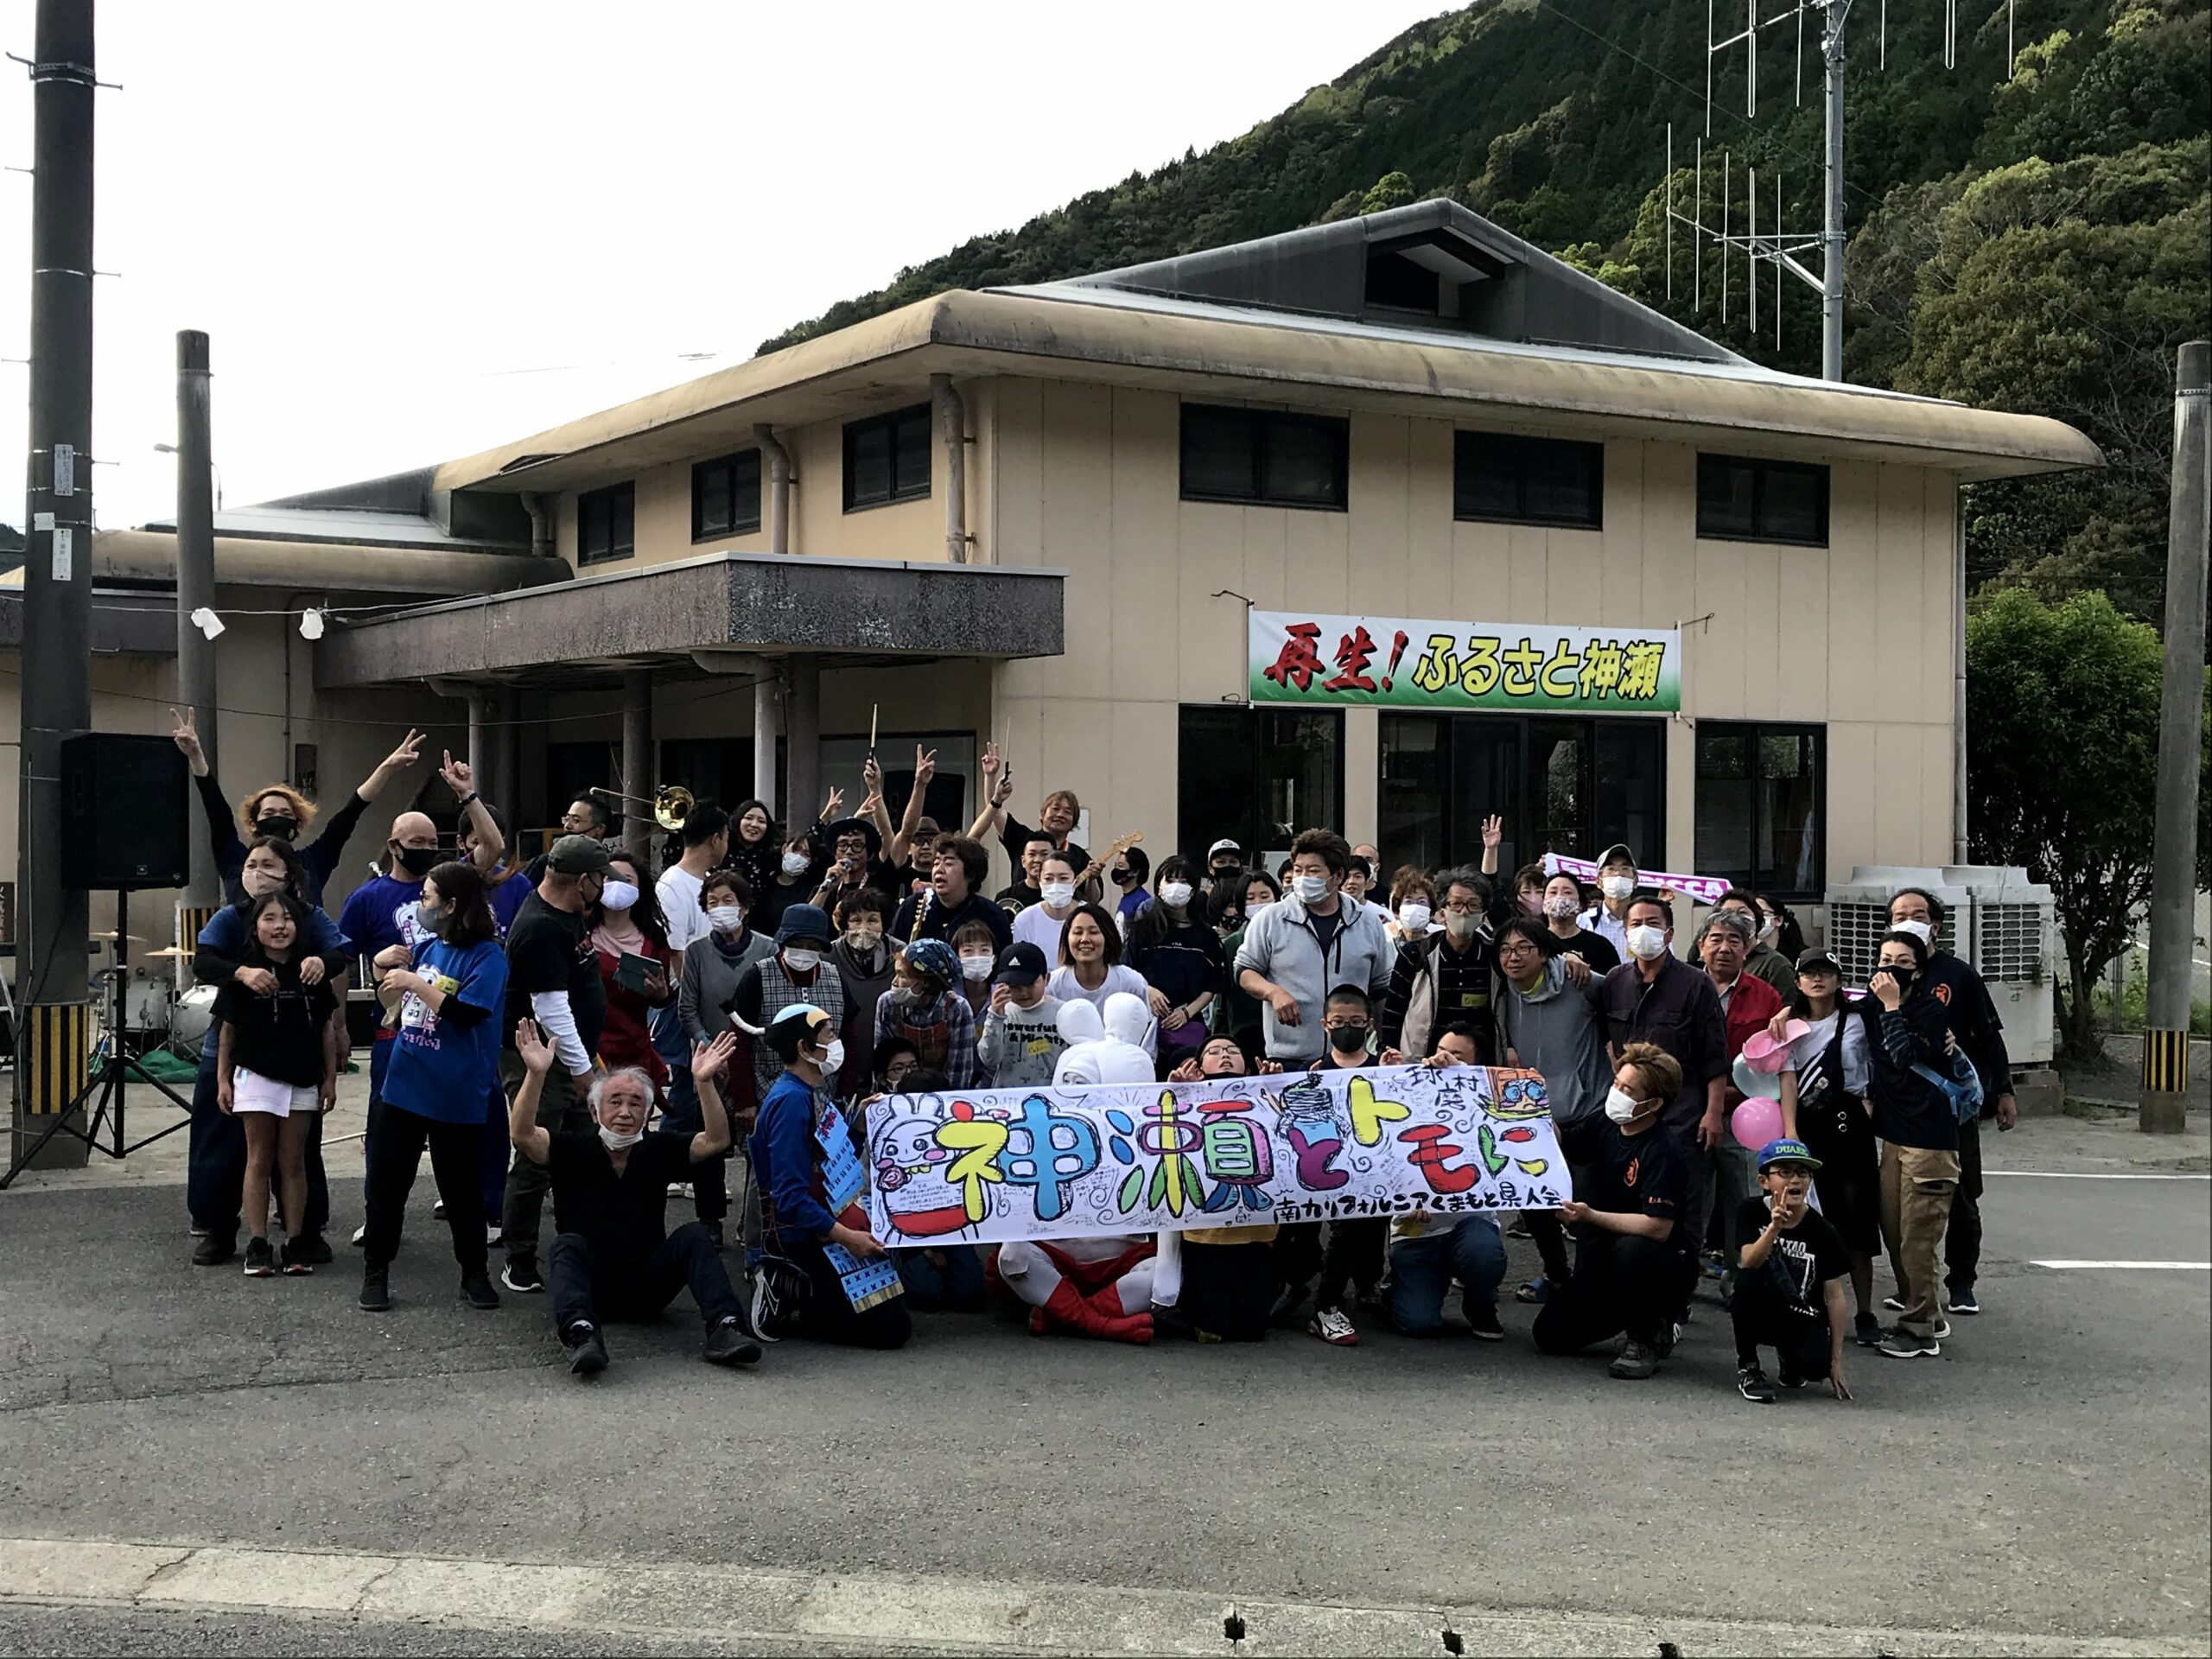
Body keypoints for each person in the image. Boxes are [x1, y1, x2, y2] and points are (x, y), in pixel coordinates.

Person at [509, 1020, 761, 1374]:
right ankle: (581, 1335)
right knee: (565, 1245)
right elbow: (523, 1135)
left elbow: (716, 1141)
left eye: (636, 1104)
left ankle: (726, 1327)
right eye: (615, 1102)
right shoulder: (574, 1147)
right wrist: (535, 1075)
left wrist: (703, 1083)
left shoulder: (656, 1147)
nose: (625, 1112)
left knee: (694, 1235)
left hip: (648, 1286)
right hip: (592, 1290)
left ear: (647, 1115)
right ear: (595, 1113)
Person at [188, 837, 349, 1267]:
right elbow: (201, 962)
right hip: (240, 1047)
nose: (257, 872)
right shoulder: (231, 917)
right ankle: (224, 1231)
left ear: (290, 873)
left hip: (299, 1055)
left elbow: (341, 952)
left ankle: (303, 1232)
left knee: (298, 1153)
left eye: (268, 864)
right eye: (250, 864)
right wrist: (240, 971)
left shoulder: (310, 918)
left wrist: (323, 964)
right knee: (231, 1150)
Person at [359, 861, 509, 1313]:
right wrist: (386, 969)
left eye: (427, 898)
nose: (421, 905)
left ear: (452, 905)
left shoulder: (488, 956)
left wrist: (412, 983)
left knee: (461, 1189)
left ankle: (474, 1273)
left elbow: (467, 1014)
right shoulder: (427, 948)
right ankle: (376, 1272)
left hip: (455, 1092)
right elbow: (390, 998)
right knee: (388, 1184)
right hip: (404, 1086)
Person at [1597, 891, 1728, 1335]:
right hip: (1630, 1122)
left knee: (1683, 1223)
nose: (1643, 931)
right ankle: (1625, 1297)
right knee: (1628, 1212)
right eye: (1634, 923)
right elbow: (1608, 1042)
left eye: (1652, 922)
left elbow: (1714, 1057)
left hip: (1682, 1122)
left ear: (1670, 932)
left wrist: (1713, 1114)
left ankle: (1673, 1306)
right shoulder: (1615, 980)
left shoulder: (1695, 984)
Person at [750, 1004, 911, 1349]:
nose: (836, 1042)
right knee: (892, 1329)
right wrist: (848, 1238)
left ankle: (817, 1293)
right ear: (804, 1049)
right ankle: (784, 1282)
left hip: (827, 1219)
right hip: (801, 1235)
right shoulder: (790, 1103)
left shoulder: (809, 1091)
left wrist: (858, 1126)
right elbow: (789, 1197)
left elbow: (831, 1163)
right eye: (829, 1035)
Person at [997, 997, 1157, 1344]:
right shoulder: (1036, 1133)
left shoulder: (1156, 1136)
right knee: (1013, 1258)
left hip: (1126, 1258)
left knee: (1164, 1276)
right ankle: (1101, 1323)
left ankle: (1060, 1313)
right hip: (1056, 1254)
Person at [1889, 887, 2016, 1318]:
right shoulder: (1885, 979)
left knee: (1961, 1195)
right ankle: (1911, 1286)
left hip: (1952, 1105)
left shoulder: (1958, 975)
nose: (1908, 919)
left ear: (1935, 924)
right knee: (1903, 1205)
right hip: (1901, 1110)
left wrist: (2005, 1090)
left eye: (1917, 913)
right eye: (1899, 913)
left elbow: (1988, 1036)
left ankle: (1961, 1282)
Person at [1533, 1044, 1692, 1380]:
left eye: (1627, 1090)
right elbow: (1565, 1143)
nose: (1616, 1093)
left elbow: (1657, 1227)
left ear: (1653, 1104)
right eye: (1616, 1084)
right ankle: (1627, 1312)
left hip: (1657, 1259)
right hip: (1603, 1259)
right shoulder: (1606, 1123)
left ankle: (1649, 1331)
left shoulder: (1663, 1151)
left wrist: (1590, 1215)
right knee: (1549, 1334)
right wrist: (1536, 1108)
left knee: (1633, 1250)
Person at [499, 835, 612, 1295]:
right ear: (582, 881)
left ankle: (580, 1242)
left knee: (584, 1150)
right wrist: (584, 1070)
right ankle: (519, 1257)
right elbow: (551, 1010)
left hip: (568, 1053)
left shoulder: (563, 911)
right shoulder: (542, 928)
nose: (605, 887)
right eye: (601, 878)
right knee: (536, 1154)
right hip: (540, 1060)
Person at [171, 712, 429, 908]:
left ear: (297, 825)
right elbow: (217, 813)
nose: (277, 820)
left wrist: (385, 769)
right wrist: (196, 757)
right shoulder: (235, 860)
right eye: (269, 815)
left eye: (285, 816)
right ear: (253, 823)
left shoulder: (313, 862)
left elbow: (349, 815)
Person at [212, 892, 340, 1278]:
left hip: (303, 1078)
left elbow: (326, 1030)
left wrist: (330, 1079)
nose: (279, 925)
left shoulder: (311, 973)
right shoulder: (244, 974)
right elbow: (227, 1032)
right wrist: (222, 1079)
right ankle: (257, 1243)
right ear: (255, 927)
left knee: (294, 1161)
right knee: (259, 1159)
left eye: (286, 918)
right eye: (269, 919)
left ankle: (295, 1241)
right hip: (255, 1076)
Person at [1494, 916, 1611, 1303]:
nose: (1514, 958)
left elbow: (1619, 999)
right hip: (1532, 1119)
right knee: (1535, 1205)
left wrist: (1577, 959)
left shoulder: (1581, 982)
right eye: (1506, 950)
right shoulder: (1500, 993)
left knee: (1586, 1208)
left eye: (1524, 948)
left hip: (1587, 1111)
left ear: (1545, 953)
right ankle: (1557, 1275)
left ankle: (1593, 1286)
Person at [1772, 948, 1882, 1344]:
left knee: (1858, 1221)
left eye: (1826, 973)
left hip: (1850, 1127)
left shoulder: (1859, 1018)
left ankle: (1866, 1310)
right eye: (1809, 973)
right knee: (1809, 1219)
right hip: (1807, 1125)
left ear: (1839, 979)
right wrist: (1790, 1130)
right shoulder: (1788, 1026)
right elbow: (1786, 1075)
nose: (1818, 980)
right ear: (1798, 981)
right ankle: (1813, 1307)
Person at [1862, 927, 1962, 1360]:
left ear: (1919, 972)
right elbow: (1832, 1011)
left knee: (1918, 1239)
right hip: (1895, 1138)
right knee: (1895, 1230)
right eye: (1885, 959)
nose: (1891, 968)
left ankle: (1919, 1329)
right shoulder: (1871, 1005)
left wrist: (1890, 1006)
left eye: (1903, 963)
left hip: (1931, 1142)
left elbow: (1904, 1056)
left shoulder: (1929, 1010)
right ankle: (1927, 1310)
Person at [1235, 830, 1395, 1068]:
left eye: (1313, 871)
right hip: (1287, 1057)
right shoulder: (1271, 918)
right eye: (1298, 870)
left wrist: (1385, 1043)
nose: (1302, 878)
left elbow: (1381, 988)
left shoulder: (1367, 922)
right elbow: (1245, 971)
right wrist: (1272, 992)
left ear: (1337, 875)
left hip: (1351, 1058)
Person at [1388, 1024, 1509, 1338]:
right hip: (1415, 1231)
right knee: (1418, 1324)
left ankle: (1480, 1303)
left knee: (1482, 1253)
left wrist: (1463, 1074)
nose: (1442, 1059)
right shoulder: (1407, 1091)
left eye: (1456, 1055)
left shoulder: (1486, 1100)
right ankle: (1406, 1286)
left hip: (1469, 1224)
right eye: (1439, 1050)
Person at [1160, 1034, 1280, 1342]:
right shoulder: (1185, 1099)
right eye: (1214, 1051)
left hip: (1256, 1233)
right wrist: (1175, 1092)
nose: (1225, 1055)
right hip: (1204, 1235)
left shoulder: (1265, 1093)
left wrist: (1276, 1089)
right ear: (1199, 1066)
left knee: (1253, 1330)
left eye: (1232, 1051)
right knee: (1212, 1329)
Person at [1697, 907, 1787, 1295]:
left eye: (1735, 941)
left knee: (1744, 1200)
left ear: (1748, 949)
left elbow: (1779, 1056)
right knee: (1691, 1201)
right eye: (1715, 939)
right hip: (1692, 1111)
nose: (1724, 948)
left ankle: (1738, 1278)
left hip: (1746, 1117)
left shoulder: (1766, 995)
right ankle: (1682, 1278)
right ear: (1700, 946)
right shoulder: (1683, 985)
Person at [1732, 1137, 1854, 1403]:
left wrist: (1835, 1361)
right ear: (1764, 1181)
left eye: (1802, 1173)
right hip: (1761, 1303)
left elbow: (1835, 1296)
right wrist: (1774, 1228)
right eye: (1785, 1172)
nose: (1795, 1181)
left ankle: (1790, 1358)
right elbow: (1749, 1261)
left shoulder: (1822, 1230)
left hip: (1800, 1312)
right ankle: (1749, 1367)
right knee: (1745, 1281)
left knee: (1815, 1368)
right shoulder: (1751, 1210)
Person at [1303, 985, 1391, 1347]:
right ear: (1325, 1024)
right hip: (1331, 1168)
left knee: (1374, 1230)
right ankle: (1326, 1304)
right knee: (1347, 1231)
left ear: (1369, 1025)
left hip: (1376, 1167)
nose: (1347, 1028)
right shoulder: (1315, 1071)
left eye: (1355, 1022)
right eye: (1339, 1022)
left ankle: (1368, 1284)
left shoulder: (1384, 1066)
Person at [1378, 864, 1501, 1065]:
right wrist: (1388, 1050)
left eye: (1473, 905)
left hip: (1481, 1064)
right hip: (1423, 1061)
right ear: (1442, 913)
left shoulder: (1493, 956)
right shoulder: (1417, 954)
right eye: (1457, 904)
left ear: (1483, 915)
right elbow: (1394, 1009)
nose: (1464, 912)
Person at [732, 906, 847, 1102]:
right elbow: (739, 1040)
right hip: (769, 1094)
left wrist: (845, 1092)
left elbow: (848, 1037)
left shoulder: (835, 977)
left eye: (812, 946)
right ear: (783, 942)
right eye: (796, 943)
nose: (804, 951)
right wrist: (745, 1101)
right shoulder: (758, 976)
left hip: (825, 1094)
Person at [1122, 856, 1228, 1069]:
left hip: (1188, 1027)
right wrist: (1148, 990)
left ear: (1193, 889)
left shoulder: (1205, 935)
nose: (1176, 887)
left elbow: (1212, 986)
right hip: (1145, 1025)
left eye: (1183, 881)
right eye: (1170, 880)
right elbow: (1126, 972)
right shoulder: (1141, 929)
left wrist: (1186, 1013)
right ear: (1159, 887)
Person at [589, 850, 678, 1098]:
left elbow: (662, 998)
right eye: (610, 878)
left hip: (634, 1046)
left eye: (626, 880)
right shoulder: (580, 934)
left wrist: (661, 994)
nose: (617, 884)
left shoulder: (654, 939)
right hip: (590, 1049)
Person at [971, 741, 1091, 880]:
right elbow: (995, 812)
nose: (1060, 815)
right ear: (1042, 815)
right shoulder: (1023, 838)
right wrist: (990, 776)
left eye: (1067, 812)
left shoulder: (1080, 856)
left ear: (1074, 822)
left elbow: (1093, 897)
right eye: (1055, 809)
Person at [874, 938, 980, 1089]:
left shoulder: (957, 1009)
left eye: (902, 976)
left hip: (942, 1094)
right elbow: (881, 1063)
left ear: (925, 982)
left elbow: (960, 1073)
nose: (895, 982)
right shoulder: (888, 1004)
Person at [891, 834, 1014, 954]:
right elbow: (893, 953)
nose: (939, 869)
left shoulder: (991, 915)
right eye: (936, 863)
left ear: (970, 874)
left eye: (948, 863)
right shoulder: (912, 906)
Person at [827, 889, 895, 1098]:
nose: (864, 928)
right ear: (845, 925)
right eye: (856, 921)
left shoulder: (901, 955)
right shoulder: (828, 956)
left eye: (873, 920)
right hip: (841, 1062)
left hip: (887, 1059)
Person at [976, 943, 1068, 1088]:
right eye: (1014, 986)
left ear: (1047, 978)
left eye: (1031, 984)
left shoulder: (1064, 1012)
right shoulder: (1000, 1013)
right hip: (1008, 1095)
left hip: (1052, 1094)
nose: (1023, 993)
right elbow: (989, 1060)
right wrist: (995, 1017)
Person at [1211, 871, 1277, 1059]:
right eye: (1250, 898)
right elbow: (1222, 1000)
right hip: (1244, 1029)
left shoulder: (1290, 936)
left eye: (1265, 896)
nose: (1258, 903)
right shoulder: (1232, 944)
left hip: (1283, 1028)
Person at [1046, 902, 1150, 1020]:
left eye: (1093, 932)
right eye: (1078, 933)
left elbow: (1145, 1030)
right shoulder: (1052, 986)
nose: (1085, 939)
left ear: (1108, 937)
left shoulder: (1131, 983)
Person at [656, 803, 733, 954]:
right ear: (716, 839)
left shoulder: (711, 880)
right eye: (726, 839)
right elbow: (675, 952)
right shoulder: (673, 884)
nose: (727, 846)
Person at [1710, 889, 1796, 996]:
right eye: (1727, 914)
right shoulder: (1709, 958)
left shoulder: (1776, 965)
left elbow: (1788, 1008)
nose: (1735, 920)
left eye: (1742, 913)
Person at [1541, 871, 1620, 973]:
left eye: (1567, 892)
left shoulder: (1600, 946)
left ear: (1581, 904)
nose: (1559, 897)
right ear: (1543, 902)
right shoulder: (1536, 943)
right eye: (1553, 892)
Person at [1011, 850, 1084, 957]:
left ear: (1075, 882)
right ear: (1040, 882)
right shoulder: (1024, 920)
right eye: (1049, 879)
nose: (1056, 884)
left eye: (1063, 878)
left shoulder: (1094, 916)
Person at [1579, 842, 1641, 960]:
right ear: (1598, 881)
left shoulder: (1646, 924)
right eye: (1611, 869)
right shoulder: (1582, 922)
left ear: (1635, 881)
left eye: (1625, 868)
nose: (1618, 874)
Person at [723, 798, 778, 903]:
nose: (754, 824)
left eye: (761, 821)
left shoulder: (771, 857)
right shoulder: (722, 851)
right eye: (749, 818)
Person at [950, 918, 1001, 1020]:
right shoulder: (948, 997)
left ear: (994, 957)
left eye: (985, 950)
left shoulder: (1002, 995)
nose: (977, 956)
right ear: (956, 957)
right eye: (968, 950)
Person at [995, 831, 1055, 915]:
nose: (1038, 860)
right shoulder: (1006, 898)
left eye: (1044, 854)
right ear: (1023, 861)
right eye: (1032, 854)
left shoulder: (1063, 896)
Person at [1383, 868, 1439, 947]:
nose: (1415, 908)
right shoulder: (1385, 942)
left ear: (1431, 913)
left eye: (1422, 902)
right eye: (1408, 902)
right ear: (1397, 911)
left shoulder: (1438, 942)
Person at [1106, 845, 1152, 930]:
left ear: (1135, 872)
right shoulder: (1125, 899)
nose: (1116, 870)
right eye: (1115, 865)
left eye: (1120, 866)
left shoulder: (1143, 902)